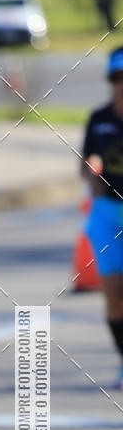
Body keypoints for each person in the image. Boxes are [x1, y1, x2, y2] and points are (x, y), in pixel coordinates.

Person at [82, 47, 123, 389]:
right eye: (117, 78)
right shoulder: (99, 119)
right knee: (114, 296)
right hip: (107, 212)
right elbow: (85, 163)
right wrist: (91, 166)